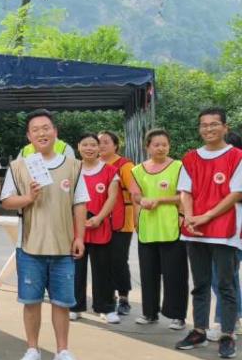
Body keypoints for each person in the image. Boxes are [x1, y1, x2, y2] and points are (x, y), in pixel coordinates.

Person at [0, 110, 88, 360]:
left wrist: (80, 236)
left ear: (55, 132)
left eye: (46, 128)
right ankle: (32, 350)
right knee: (31, 301)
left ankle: (63, 351)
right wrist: (28, 198)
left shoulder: (73, 166)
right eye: (36, 129)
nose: (42, 133)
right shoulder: (19, 166)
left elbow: (79, 203)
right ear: (28, 136)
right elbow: (6, 201)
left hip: (63, 246)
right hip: (30, 246)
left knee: (62, 302)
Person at [175, 107, 241, 359]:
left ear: (225, 127)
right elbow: (185, 191)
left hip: (225, 230)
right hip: (195, 230)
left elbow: (236, 193)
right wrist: (190, 216)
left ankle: (227, 334)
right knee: (200, 284)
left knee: (226, 285)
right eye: (204, 125)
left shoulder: (237, 156)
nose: (208, 129)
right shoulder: (191, 158)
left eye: (214, 124)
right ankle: (199, 331)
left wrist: (207, 216)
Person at [129, 129, 187, 329]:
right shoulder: (137, 170)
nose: (161, 148)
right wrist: (142, 200)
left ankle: (177, 315)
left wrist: (160, 200)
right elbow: (135, 195)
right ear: (147, 147)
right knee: (148, 273)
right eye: (156, 145)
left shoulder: (179, 167)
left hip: (172, 227)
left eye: (164, 144)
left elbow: (183, 195)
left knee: (175, 274)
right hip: (147, 228)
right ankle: (149, 313)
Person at [72, 133, 121, 324]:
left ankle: (106, 308)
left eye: (93, 145)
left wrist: (99, 218)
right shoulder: (72, 169)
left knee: (103, 270)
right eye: (85, 144)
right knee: (76, 270)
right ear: (78, 146)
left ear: (99, 147)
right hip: (76, 228)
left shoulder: (110, 171)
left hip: (100, 227)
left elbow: (112, 197)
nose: (89, 148)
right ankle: (75, 306)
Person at [206, 130, 242, 340]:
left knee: (222, 278)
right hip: (222, 231)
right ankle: (234, 318)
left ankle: (225, 321)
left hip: (230, 232)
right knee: (228, 277)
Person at [98, 131, 136, 316]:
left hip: (122, 221)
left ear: (115, 145)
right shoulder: (94, 164)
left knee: (119, 260)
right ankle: (108, 297)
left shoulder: (125, 165)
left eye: (106, 142)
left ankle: (124, 298)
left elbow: (135, 192)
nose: (101, 145)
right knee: (102, 260)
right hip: (100, 219)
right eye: (99, 142)